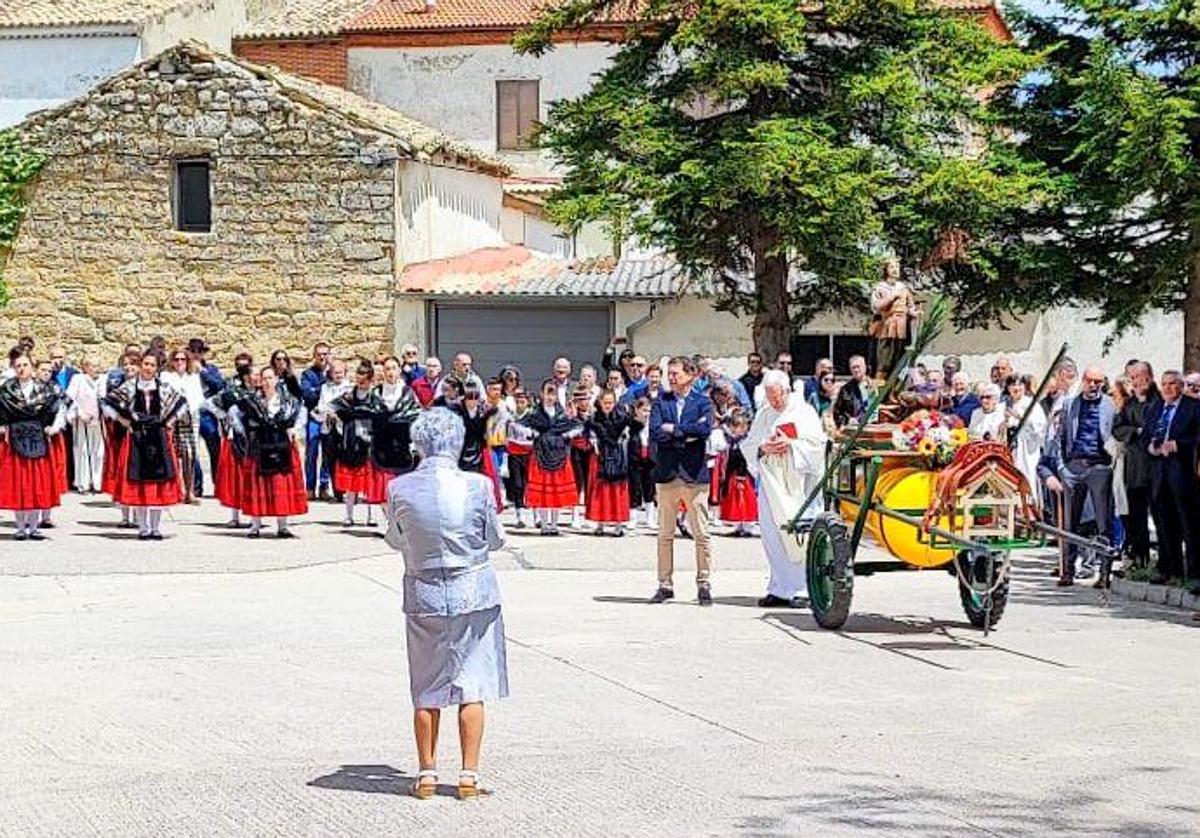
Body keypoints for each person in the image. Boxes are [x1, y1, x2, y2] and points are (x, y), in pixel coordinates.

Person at [384, 408, 508, 801]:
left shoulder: (399, 488)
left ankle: (427, 773)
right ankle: (469, 776)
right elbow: (495, 539)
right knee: (473, 683)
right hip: (473, 589)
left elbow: (394, 538)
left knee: (426, 686)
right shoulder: (478, 485)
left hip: (424, 591)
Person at [745, 370, 826, 607]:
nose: (773, 402)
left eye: (777, 396)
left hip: (798, 486)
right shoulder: (764, 414)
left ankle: (801, 589)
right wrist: (763, 447)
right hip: (771, 485)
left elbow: (817, 446)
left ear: (787, 391)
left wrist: (791, 445)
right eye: (769, 397)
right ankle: (779, 587)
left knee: (797, 535)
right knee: (772, 535)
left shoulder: (804, 413)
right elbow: (749, 444)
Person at [1041, 364, 1116, 586]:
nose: (1092, 385)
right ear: (1083, 380)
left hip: (1099, 467)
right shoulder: (1070, 403)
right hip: (1073, 468)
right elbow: (1061, 437)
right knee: (1069, 523)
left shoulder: (1109, 405)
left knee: (1103, 523)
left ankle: (1104, 573)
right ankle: (1068, 570)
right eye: (1089, 380)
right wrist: (1063, 468)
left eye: (1097, 382)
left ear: (1102, 383)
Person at [649, 356, 714, 605]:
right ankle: (665, 584)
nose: (671, 377)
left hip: (694, 474)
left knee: (702, 533)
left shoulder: (702, 402)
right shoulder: (660, 401)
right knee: (665, 534)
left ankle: (704, 582)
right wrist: (686, 433)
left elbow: (705, 430)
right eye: (669, 373)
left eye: (676, 373)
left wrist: (673, 430)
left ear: (691, 375)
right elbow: (655, 432)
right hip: (667, 474)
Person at [103, 352, 187, 540]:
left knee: (158, 484)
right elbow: (108, 403)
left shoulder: (164, 388)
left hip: (158, 437)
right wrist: (123, 421)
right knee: (138, 483)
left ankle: (155, 528)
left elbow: (181, 404)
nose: (148, 368)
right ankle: (143, 528)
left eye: (152, 365)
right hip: (136, 438)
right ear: (141, 365)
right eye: (146, 364)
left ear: (157, 368)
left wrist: (169, 422)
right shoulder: (129, 387)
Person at [232, 366, 308, 538]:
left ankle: (282, 526)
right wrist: (244, 431)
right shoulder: (251, 400)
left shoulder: (288, 401)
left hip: (282, 444)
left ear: (276, 380)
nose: (266, 382)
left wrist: (295, 429)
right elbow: (234, 414)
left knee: (280, 483)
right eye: (264, 378)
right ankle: (255, 526)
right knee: (258, 484)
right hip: (260, 444)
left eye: (270, 378)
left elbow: (302, 414)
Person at [0, 354, 67, 540]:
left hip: (38, 438)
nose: (22, 368)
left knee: (37, 483)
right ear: (14, 368)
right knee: (19, 483)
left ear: (32, 367)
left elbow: (57, 408)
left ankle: (34, 527)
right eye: (18, 365)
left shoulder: (44, 389)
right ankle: (21, 528)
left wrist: (52, 427)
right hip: (15, 438)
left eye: (25, 365)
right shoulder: (6, 390)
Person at [1143, 371, 1200, 587]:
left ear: (1181, 385)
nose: (1167, 388)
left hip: (1183, 473)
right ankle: (1169, 568)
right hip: (1158, 472)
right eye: (1164, 384)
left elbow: (1197, 438)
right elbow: (1146, 435)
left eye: (1172, 384)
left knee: (1189, 523)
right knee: (1164, 523)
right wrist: (1151, 446)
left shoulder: (1193, 407)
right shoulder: (1156, 407)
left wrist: (1178, 445)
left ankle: (1194, 573)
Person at [517, 378, 582, 536]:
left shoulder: (561, 414)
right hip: (541, 453)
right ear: (542, 393)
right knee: (544, 491)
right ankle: (544, 524)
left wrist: (568, 435)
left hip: (559, 454)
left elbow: (578, 426)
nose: (550, 397)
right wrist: (530, 433)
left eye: (553, 393)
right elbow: (518, 425)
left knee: (555, 491)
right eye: (548, 392)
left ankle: (554, 524)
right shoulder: (535, 413)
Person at [1112, 362, 1160, 569]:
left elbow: (1153, 427)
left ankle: (1165, 564)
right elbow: (1118, 429)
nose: (1133, 381)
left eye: (1136, 377)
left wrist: (1141, 430)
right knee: (1135, 518)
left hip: (1155, 468)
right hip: (1134, 468)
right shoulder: (1129, 403)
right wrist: (1135, 431)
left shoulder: (1158, 400)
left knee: (1160, 517)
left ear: (1147, 377)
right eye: (1130, 377)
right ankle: (1139, 560)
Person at [331, 361, 387, 527]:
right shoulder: (349, 395)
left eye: (364, 380)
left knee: (369, 481)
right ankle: (348, 515)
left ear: (370, 380)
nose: (360, 383)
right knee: (351, 483)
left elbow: (381, 416)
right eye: (358, 379)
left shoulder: (376, 397)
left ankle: (371, 516)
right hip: (351, 441)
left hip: (369, 442)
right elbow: (337, 408)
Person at [203, 358, 257, 529]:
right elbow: (209, 403)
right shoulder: (232, 393)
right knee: (236, 478)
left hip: (255, 440)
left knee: (251, 478)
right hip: (236, 438)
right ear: (247, 376)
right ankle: (234, 516)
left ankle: (252, 514)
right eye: (255, 374)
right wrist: (225, 417)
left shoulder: (261, 394)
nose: (258, 378)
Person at [585, 389, 631, 536]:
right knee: (600, 490)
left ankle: (618, 524)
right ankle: (600, 523)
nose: (608, 405)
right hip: (600, 455)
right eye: (605, 402)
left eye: (610, 402)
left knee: (617, 489)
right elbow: (590, 435)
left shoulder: (622, 417)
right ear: (599, 402)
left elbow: (625, 435)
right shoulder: (594, 418)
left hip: (617, 455)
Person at [162, 347, 204, 504]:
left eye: (183, 359)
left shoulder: (193, 377)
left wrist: (186, 409)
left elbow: (198, 398)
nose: (180, 362)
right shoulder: (166, 377)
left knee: (189, 454)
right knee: (172, 455)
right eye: (177, 359)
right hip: (172, 419)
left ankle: (189, 490)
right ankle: (174, 491)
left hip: (189, 418)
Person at [870, 258, 918, 377]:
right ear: (886, 270)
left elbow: (910, 306)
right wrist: (891, 297)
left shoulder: (904, 288)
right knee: (884, 358)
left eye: (897, 267)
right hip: (887, 325)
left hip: (902, 327)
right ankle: (880, 384)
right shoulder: (880, 287)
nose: (895, 269)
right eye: (892, 267)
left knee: (899, 358)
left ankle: (894, 388)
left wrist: (913, 312)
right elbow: (876, 306)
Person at [1003, 375, 1046, 507]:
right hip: (1013, 448)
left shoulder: (1031, 404)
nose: (1016, 388)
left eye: (1019, 385)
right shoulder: (1007, 404)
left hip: (1027, 448)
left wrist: (1020, 417)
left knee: (1027, 476)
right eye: (1013, 385)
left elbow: (1040, 425)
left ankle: (1030, 509)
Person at [64, 357, 106, 494]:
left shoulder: (103, 380)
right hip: (82, 419)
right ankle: (83, 483)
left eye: (97, 365)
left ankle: (98, 482)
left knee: (99, 452)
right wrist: (80, 413)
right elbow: (70, 398)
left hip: (99, 420)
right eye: (92, 366)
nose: (95, 369)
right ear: (85, 367)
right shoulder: (78, 379)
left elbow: (105, 398)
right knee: (82, 450)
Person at [193, 338, 226, 498]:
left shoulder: (211, 369)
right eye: (193, 351)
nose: (196, 354)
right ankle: (196, 485)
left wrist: (203, 372)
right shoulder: (185, 369)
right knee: (191, 450)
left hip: (208, 413)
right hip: (191, 413)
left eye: (199, 351)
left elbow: (219, 385)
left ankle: (218, 485)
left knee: (215, 449)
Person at [300, 342, 332, 500]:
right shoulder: (307, 374)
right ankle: (310, 487)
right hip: (313, 417)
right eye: (319, 354)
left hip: (328, 418)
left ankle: (324, 486)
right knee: (311, 452)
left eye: (325, 354)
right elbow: (307, 396)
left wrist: (316, 390)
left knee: (327, 453)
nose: (322, 357)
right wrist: (324, 388)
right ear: (314, 356)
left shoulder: (333, 373)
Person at [718, 410, 758, 537]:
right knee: (735, 500)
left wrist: (743, 474)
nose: (736, 430)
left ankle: (748, 525)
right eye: (734, 426)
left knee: (746, 500)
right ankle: (739, 524)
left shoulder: (747, 442)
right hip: (733, 475)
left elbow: (747, 460)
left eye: (739, 426)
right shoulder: (733, 442)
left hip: (744, 475)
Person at [504, 388, 534, 528]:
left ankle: (536, 516)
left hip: (529, 454)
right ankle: (520, 516)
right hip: (514, 454)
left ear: (528, 402)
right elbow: (506, 436)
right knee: (517, 484)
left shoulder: (533, 417)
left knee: (531, 484)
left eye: (523, 401)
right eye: (518, 401)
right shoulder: (510, 417)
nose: (520, 404)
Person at [626, 396, 657, 530]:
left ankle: (650, 518)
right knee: (635, 487)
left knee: (649, 488)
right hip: (635, 459)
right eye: (644, 410)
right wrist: (639, 422)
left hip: (650, 459)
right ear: (637, 410)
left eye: (649, 410)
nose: (647, 413)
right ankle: (633, 518)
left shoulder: (654, 423)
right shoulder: (632, 424)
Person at [832, 355, 876, 428]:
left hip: (875, 428)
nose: (856, 370)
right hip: (854, 430)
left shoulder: (876, 387)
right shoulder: (845, 390)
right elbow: (837, 413)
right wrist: (848, 420)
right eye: (853, 367)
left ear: (865, 367)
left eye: (858, 366)